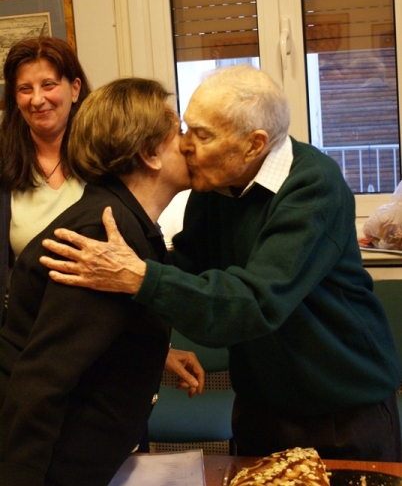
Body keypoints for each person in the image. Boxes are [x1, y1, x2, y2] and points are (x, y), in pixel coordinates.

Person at [40, 64, 402, 462]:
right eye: (186, 128)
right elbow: (188, 270)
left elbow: (254, 303)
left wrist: (138, 276)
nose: (185, 145)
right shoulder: (214, 184)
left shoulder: (314, 185)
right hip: (262, 406)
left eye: (202, 134)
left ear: (253, 145)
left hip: (342, 410)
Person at [0, 77, 204, 486]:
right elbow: (44, 378)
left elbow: (97, 332)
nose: (189, 144)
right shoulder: (103, 234)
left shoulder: (125, 221)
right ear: (150, 154)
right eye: (179, 131)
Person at [0, 36, 92, 325]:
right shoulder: (4, 166)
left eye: (48, 85)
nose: (37, 99)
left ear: (74, 89)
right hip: (24, 332)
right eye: (25, 89)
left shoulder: (107, 161)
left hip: (99, 330)